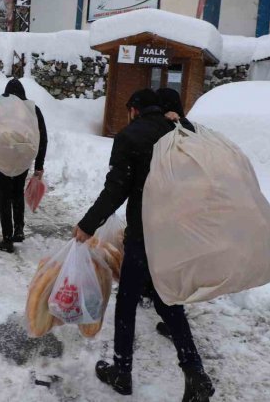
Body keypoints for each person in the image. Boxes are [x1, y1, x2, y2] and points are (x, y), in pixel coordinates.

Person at [72, 88, 214, 401]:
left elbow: (116, 190)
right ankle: (194, 371)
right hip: (175, 233)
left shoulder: (130, 137)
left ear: (134, 109)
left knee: (127, 303)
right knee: (167, 300)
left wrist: (87, 225)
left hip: (144, 235)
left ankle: (122, 372)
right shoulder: (178, 131)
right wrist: (180, 120)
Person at [0, 79, 47, 254]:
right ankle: (19, 230)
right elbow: (42, 138)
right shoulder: (32, 111)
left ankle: (7, 239)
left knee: (4, 198)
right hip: (22, 160)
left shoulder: (0, 109)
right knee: (17, 193)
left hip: (3, 159)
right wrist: (39, 165)